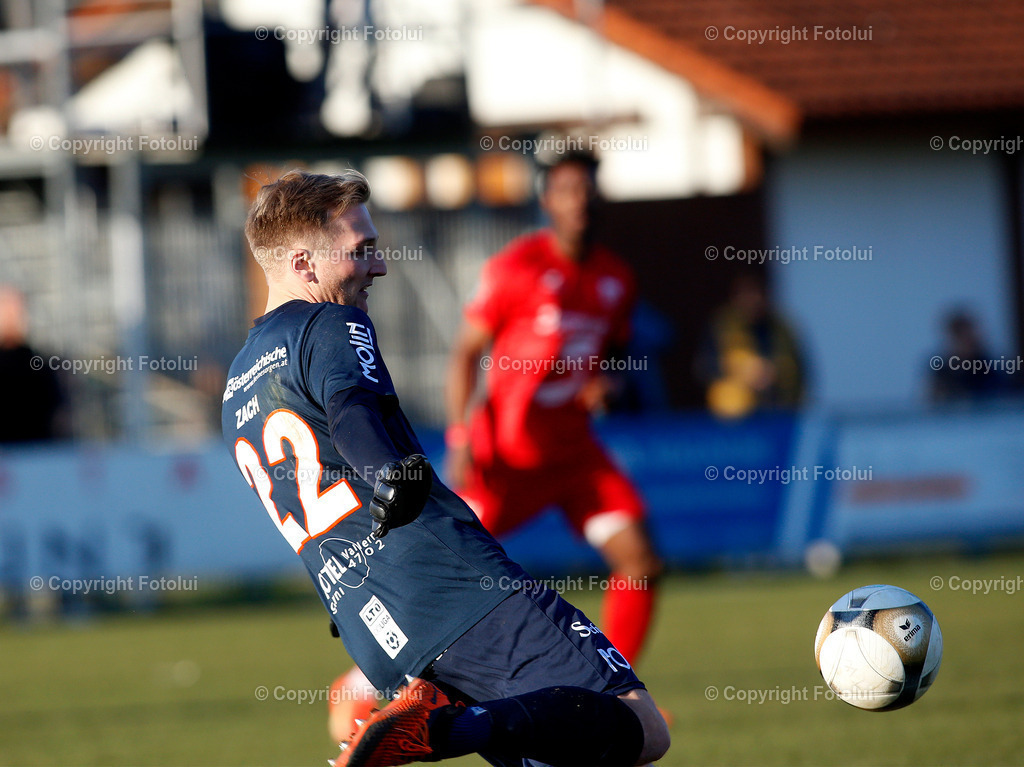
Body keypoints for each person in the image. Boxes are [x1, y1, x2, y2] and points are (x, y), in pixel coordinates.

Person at [221, 169, 669, 767]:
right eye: (362, 251)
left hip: (372, 626)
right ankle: (448, 727)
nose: (378, 267)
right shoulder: (331, 323)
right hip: (457, 591)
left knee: (564, 753)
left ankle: (450, 721)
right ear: (304, 263)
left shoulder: (235, 390)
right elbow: (352, 409)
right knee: (639, 727)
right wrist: (390, 470)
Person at [697, 273, 805, 419]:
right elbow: (703, 366)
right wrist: (743, 371)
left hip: (778, 411)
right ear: (735, 298)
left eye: (757, 294)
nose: (753, 300)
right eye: (746, 294)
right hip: (735, 418)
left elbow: (798, 370)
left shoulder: (781, 328)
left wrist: (772, 373)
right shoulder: (721, 326)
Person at [0, 285, 63, 443]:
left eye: (17, 310)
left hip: (35, 456)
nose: (12, 316)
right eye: (6, 308)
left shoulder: (40, 367)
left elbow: (58, 418)